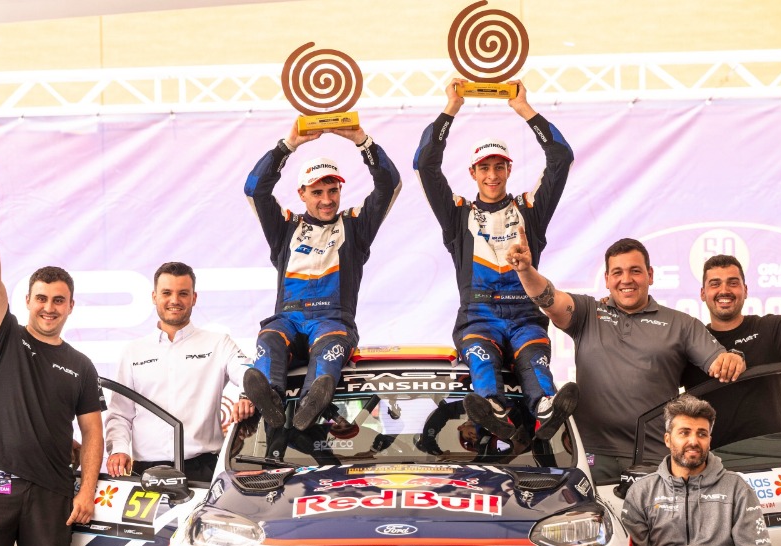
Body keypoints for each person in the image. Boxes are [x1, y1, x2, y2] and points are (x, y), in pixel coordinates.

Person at [0, 176, 104, 546]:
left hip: (52, 493)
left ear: (70, 306)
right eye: (41, 298)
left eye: (58, 300)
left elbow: (93, 433)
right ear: (27, 301)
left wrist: (87, 491)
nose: (49, 307)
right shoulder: (6, 339)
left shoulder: (81, 365)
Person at [412, 78, 576, 444]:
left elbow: (560, 158)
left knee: (535, 362)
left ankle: (545, 408)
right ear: (472, 172)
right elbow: (424, 164)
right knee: (481, 359)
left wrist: (523, 110)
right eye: (483, 168)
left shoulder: (529, 210)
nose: (491, 175)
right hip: (478, 317)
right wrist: (451, 107)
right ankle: (492, 407)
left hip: (524, 315)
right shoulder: (457, 215)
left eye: (499, 167)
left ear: (509, 169)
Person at [508, 236, 746, 480]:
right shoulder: (587, 313)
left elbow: (720, 363)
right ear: (608, 280)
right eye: (618, 272)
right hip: (590, 455)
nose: (626, 280)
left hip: (654, 459)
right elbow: (547, 298)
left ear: (650, 275)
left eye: (635, 271)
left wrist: (733, 358)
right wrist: (525, 270)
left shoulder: (682, 324)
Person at [241, 122, 401, 431]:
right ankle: (271, 401)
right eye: (317, 192)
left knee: (328, 353)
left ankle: (311, 404)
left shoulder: (356, 227)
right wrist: (287, 145)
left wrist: (361, 141)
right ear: (301, 193)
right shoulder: (285, 227)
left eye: (333, 190)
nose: (326, 200)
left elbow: (389, 185)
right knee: (269, 337)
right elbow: (254, 189)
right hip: (287, 319)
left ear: (341, 189)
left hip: (332, 323)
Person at [105, 261, 255, 483]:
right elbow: (120, 413)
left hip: (203, 469)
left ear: (194, 298)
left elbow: (250, 375)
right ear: (154, 296)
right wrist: (118, 448)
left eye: (183, 293)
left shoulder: (219, 343)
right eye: (167, 293)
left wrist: (248, 396)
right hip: (145, 472)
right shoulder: (133, 351)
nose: (174, 300)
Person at [683, 247, 781, 453]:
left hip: (773, 459)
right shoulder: (692, 341)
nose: (724, 291)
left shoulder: (769, 329)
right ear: (703, 294)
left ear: (745, 290)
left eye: (733, 283)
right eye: (715, 284)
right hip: (711, 463)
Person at [620, 394, 777, 546]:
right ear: (668, 439)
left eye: (701, 434)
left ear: (709, 440)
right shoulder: (641, 492)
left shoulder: (736, 489)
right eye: (684, 433)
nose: (693, 441)